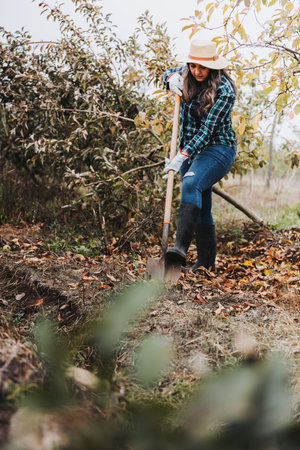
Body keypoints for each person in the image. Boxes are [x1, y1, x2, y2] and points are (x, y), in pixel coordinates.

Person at [163, 39, 237, 271]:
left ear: (213, 67)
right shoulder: (186, 74)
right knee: (202, 204)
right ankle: (205, 265)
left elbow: (207, 132)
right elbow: (167, 72)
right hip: (190, 149)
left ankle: (179, 250)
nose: (196, 71)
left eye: (202, 67)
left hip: (218, 148)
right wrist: (169, 79)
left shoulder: (224, 90)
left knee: (191, 182)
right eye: (193, 66)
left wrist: (182, 155)